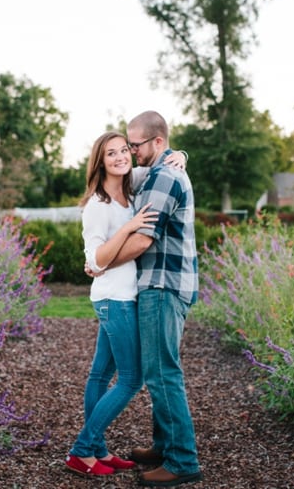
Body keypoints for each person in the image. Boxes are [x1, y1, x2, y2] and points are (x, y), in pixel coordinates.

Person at [65, 131, 185, 477]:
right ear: (100, 162)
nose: (120, 157)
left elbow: (161, 158)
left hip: (120, 296)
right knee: (131, 379)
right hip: (112, 299)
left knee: (101, 375)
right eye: (111, 154)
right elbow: (97, 259)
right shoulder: (97, 206)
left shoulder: (131, 183)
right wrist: (129, 227)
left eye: (123, 151)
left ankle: (97, 450)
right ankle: (81, 450)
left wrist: (182, 154)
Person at [100, 111, 202, 487]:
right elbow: (119, 172)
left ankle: (182, 461)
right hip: (163, 284)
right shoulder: (156, 170)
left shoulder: (164, 175)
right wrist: (184, 153)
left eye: (136, 145)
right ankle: (163, 445)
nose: (131, 151)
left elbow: (143, 239)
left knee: (162, 374)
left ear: (157, 143)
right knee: (160, 370)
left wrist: (102, 263)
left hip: (163, 285)